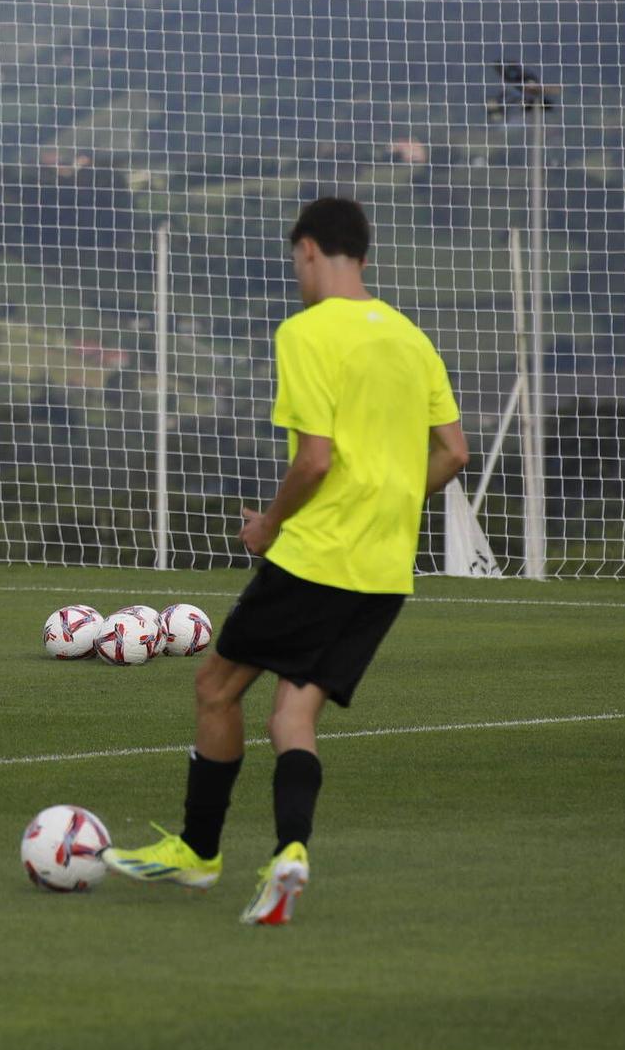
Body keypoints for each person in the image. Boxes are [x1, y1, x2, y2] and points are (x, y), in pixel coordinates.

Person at [100, 197, 469, 924]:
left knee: (214, 686)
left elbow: (315, 459)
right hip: (385, 572)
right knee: (293, 714)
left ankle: (199, 853)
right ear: (364, 254)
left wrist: (268, 526)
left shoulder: (305, 333)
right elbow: (453, 453)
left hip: (316, 557)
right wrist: (390, 503)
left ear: (307, 250)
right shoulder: (411, 338)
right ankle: (289, 852)